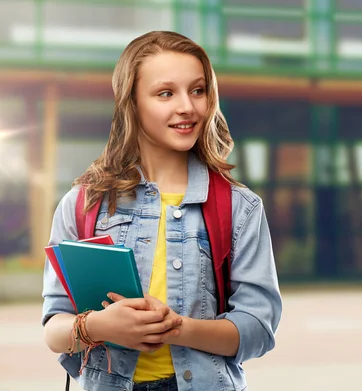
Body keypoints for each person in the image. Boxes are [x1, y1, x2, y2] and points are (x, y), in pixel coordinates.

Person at [41, 30, 283, 391]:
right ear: (132, 103)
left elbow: (258, 329)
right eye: (165, 93)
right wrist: (99, 327)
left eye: (198, 90)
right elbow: (54, 329)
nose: (187, 106)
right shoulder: (82, 203)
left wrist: (178, 328)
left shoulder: (239, 207)